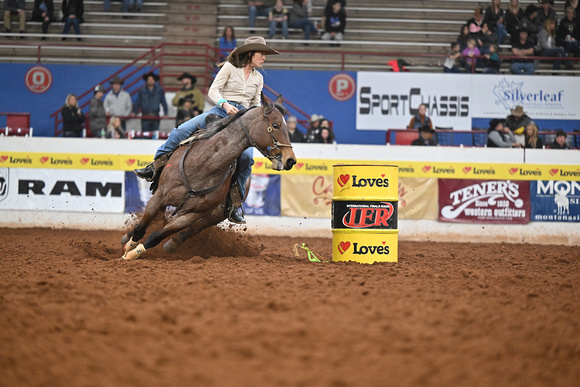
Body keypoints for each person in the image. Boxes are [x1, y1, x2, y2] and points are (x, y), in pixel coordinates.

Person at [134, 36, 280, 224]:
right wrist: (225, 105)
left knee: (247, 159)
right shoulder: (229, 68)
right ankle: (154, 167)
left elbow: (255, 105)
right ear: (250, 54)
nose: (264, 58)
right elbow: (213, 91)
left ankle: (234, 205)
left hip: (242, 120)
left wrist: (251, 118)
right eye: (262, 54)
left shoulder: (258, 78)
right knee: (181, 131)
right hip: (220, 111)